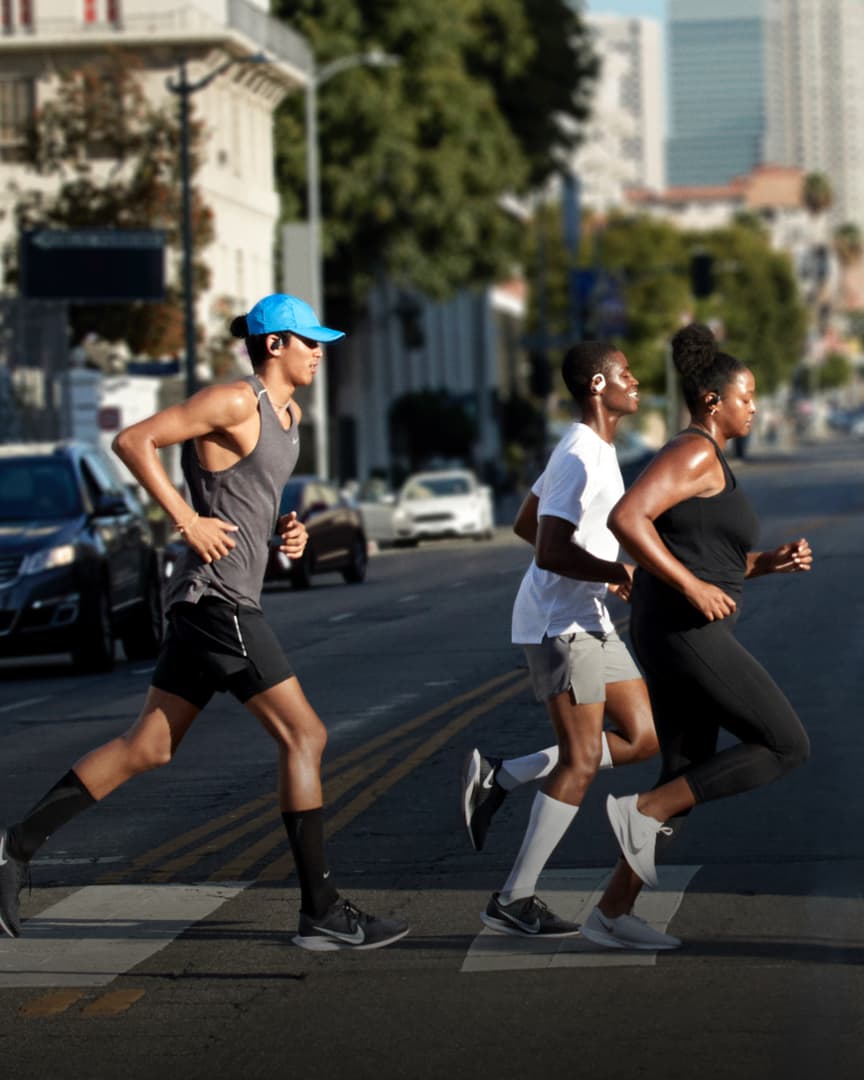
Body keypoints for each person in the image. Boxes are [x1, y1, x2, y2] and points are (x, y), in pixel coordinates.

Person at [0, 293, 409, 952]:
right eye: (309, 341)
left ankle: (13, 847)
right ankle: (321, 912)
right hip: (218, 602)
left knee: (148, 748)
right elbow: (133, 441)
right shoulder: (236, 401)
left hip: (213, 604)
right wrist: (185, 520)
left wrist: (286, 530)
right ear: (274, 344)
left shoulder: (290, 416)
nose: (319, 352)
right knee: (305, 735)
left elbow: (248, 496)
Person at [468, 342, 679, 950]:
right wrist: (614, 571)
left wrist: (597, 570)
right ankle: (513, 898)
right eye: (625, 374)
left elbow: (525, 522)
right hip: (560, 626)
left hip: (587, 619)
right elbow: (547, 548)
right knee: (581, 761)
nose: (635, 381)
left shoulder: (595, 451)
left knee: (644, 735)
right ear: (596, 385)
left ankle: (501, 776)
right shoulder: (580, 455)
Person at [604, 323, 811, 891]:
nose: (754, 408)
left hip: (674, 627)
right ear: (713, 401)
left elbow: (707, 557)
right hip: (685, 630)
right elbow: (626, 518)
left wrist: (768, 562)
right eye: (746, 397)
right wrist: (692, 590)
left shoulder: (708, 456)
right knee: (785, 744)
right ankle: (640, 812)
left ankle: (614, 912)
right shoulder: (694, 452)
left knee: (685, 777)